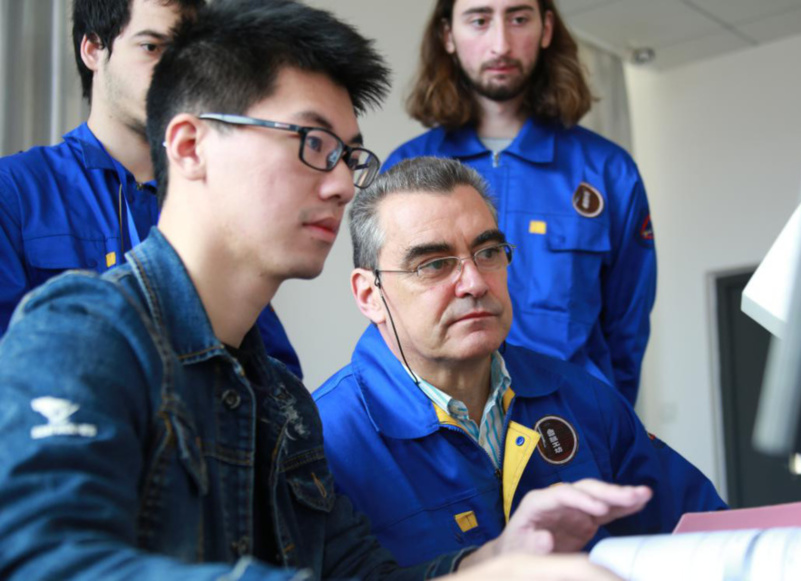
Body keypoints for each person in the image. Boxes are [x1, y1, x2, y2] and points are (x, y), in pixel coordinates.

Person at [0, 2, 652, 580]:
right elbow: (46, 559)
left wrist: (498, 558)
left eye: (351, 155)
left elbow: (356, 572)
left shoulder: (284, 401)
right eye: (312, 142)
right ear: (191, 145)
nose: (344, 184)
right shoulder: (85, 333)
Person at [314, 157, 725, 567]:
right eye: (434, 265)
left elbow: (706, 535)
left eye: (488, 252)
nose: (474, 282)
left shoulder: (582, 397)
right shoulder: (325, 441)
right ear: (370, 295)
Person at [0, 0, 303, 377]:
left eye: (185, 54)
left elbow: (275, 376)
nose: (173, 73)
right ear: (94, 49)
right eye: (152, 47)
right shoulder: (13, 190)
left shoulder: (217, 202)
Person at [383, 0, 655, 405]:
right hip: (445, 428)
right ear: (448, 36)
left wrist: (612, 424)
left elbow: (627, 330)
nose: (501, 44)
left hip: (574, 424)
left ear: (545, 29)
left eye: (519, 18)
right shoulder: (406, 168)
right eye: (479, 20)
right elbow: (391, 315)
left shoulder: (608, 171)